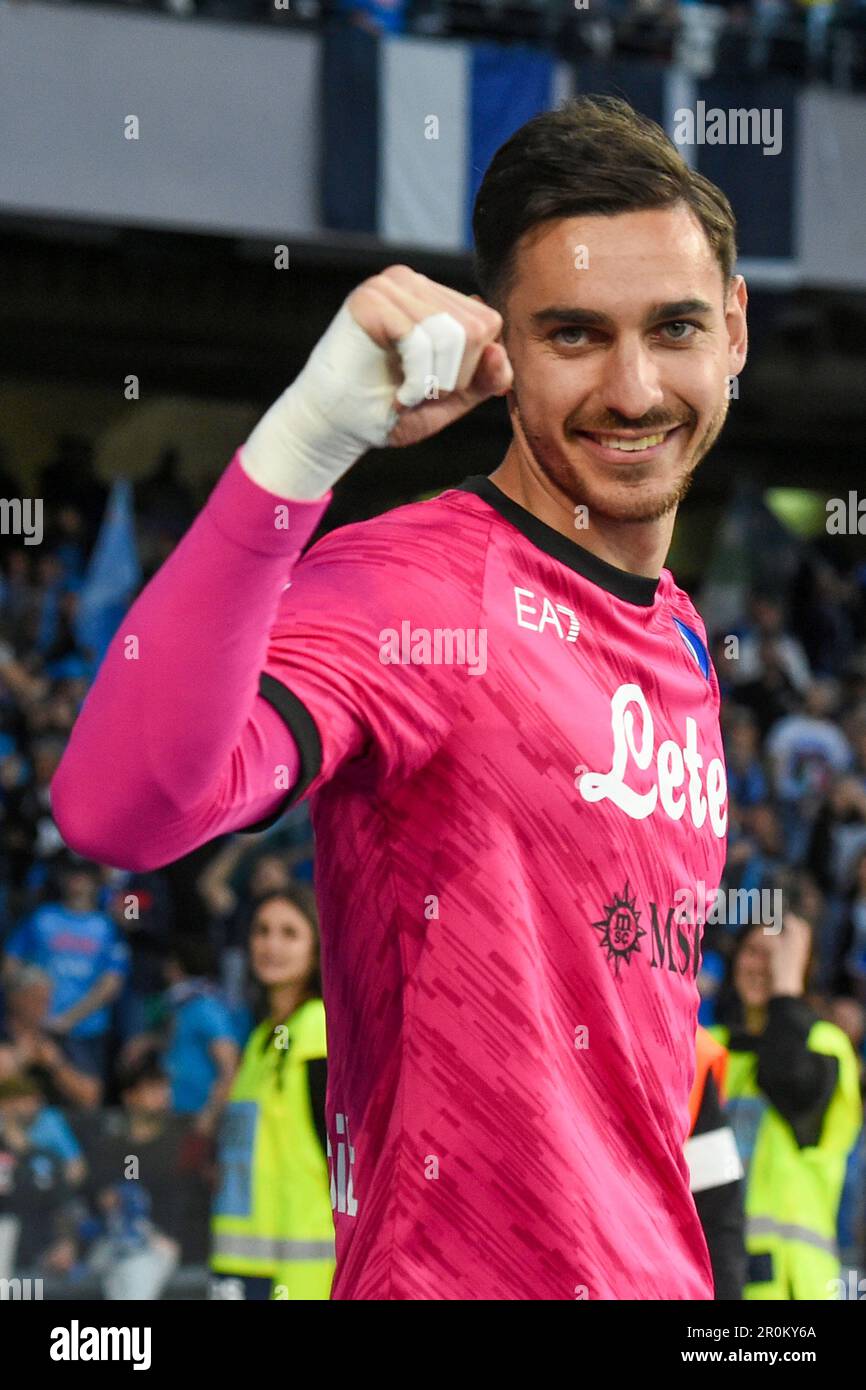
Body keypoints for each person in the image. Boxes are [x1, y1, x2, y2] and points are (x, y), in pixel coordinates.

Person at [52, 95, 746, 1300]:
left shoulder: (680, 636)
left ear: (733, 330)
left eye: (674, 327)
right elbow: (122, 809)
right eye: (574, 335)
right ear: (502, 349)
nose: (634, 389)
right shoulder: (406, 590)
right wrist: (302, 446)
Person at [710, 914, 862, 1298]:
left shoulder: (825, 1047)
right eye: (753, 953)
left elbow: (787, 1077)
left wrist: (786, 993)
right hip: (709, 1272)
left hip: (790, 1284)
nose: (763, 967)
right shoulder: (709, 1047)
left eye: (776, 957)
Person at [211, 886, 333, 1300]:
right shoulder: (260, 1037)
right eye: (262, 931)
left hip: (302, 1267)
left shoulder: (318, 1029)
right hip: (241, 1262)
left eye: (289, 933)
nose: (271, 945)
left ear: (317, 948)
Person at [2, 857, 129, 1092]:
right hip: (37, 1029)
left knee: (86, 1096)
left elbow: (112, 982)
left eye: (84, 875)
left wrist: (68, 1020)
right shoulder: (42, 917)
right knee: (26, 1092)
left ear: (96, 881)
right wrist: (24, 1006)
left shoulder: (107, 926)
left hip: (87, 1029)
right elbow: (10, 962)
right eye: (72, 873)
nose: (77, 880)